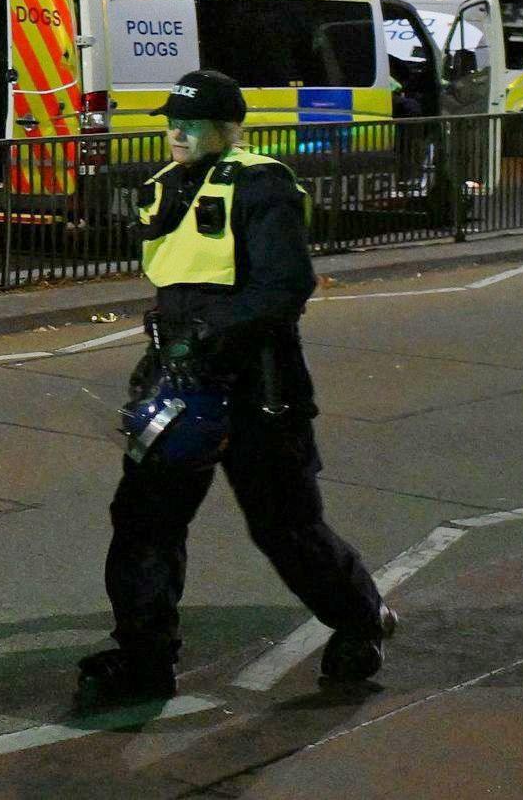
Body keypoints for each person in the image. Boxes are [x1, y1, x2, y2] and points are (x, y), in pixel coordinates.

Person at [76, 69, 396, 707]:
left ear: (227, 128)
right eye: (172, 121)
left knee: (286, 528)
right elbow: (181, 284)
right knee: (143, 523)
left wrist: (209, 333)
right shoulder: (167, 187)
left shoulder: (260, 184)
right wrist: (167, 338)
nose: (176, 132)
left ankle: (362, 619)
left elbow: (284, 287)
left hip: (260, 392)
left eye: (191, 123)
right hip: (180, 388)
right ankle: (145, 659)